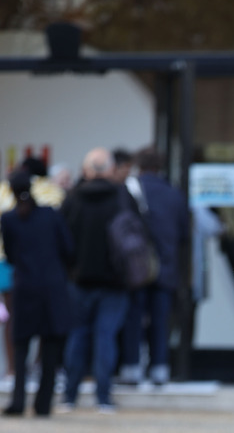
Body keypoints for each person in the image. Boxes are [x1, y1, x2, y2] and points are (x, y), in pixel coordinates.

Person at [58, 148, 131, 413]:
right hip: (115, 281)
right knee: (106, 337)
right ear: (110, 170)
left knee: (77, 337)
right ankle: (103, 398)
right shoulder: (121, 196)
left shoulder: (73, 198)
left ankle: (69, 396)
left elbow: (61, 239)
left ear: (87, 170)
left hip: (79, 279)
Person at [1, 170, 74, 417]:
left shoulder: (9, 219)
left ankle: (18, 401)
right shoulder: (50, 215)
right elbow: (68, 248)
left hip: (24, 287)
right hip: (52, 287)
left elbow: (10, 255)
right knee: (51, 349)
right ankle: (43, 404)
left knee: (21, 347)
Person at [117, 146, 189, 386]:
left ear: (139, 165)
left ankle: (131, 367)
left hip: (136, 266)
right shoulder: (174, 194)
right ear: (160, 166)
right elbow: (183, 234)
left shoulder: (128, 190)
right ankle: (159, 367)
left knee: (133, 317)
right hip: (166, 266)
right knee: (161, 319)